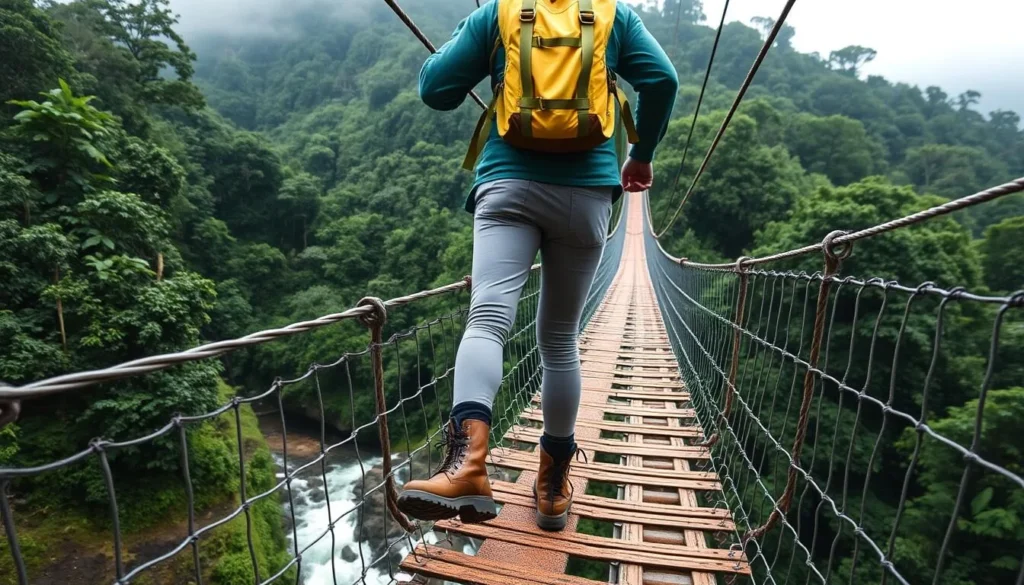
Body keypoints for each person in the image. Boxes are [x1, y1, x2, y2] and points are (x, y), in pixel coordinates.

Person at [396, 0, 678, 531]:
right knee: (560, 340)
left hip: (507, 185)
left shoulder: (498, 14)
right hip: (588, 196)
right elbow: (662, 80)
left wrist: (472, 34)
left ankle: (467, 466)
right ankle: (551, 487)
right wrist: (641, 153)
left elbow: (436, 90)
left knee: (487, 320)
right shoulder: (614, 15)